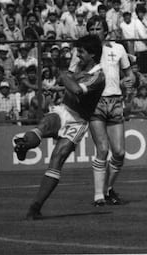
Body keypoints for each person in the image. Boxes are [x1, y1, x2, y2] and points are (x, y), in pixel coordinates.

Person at [14, 35, 105, 220]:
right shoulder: (80, 65)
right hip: (63, 109)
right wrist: (62, 81)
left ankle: (35, 207)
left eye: (81, 52)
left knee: (58, 157)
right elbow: (68, 84)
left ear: (93, 54)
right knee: (44, 125)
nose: (78, 55)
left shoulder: (98, 76)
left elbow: (77, 89)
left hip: (78, 121)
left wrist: (63, 76)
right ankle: (24, 145)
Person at [69, 16, 135, 206]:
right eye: (91, 28)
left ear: (105, 31)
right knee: (103, 149)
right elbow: (71, 76)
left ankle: (107, 189)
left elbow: (129, 74)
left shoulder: (118, 49)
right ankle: (99, 196)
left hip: (115, 101)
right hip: (95, 102)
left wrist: (130, 80)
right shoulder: (81, 52)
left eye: (98, 28)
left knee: (120, 152)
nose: (95, 31)